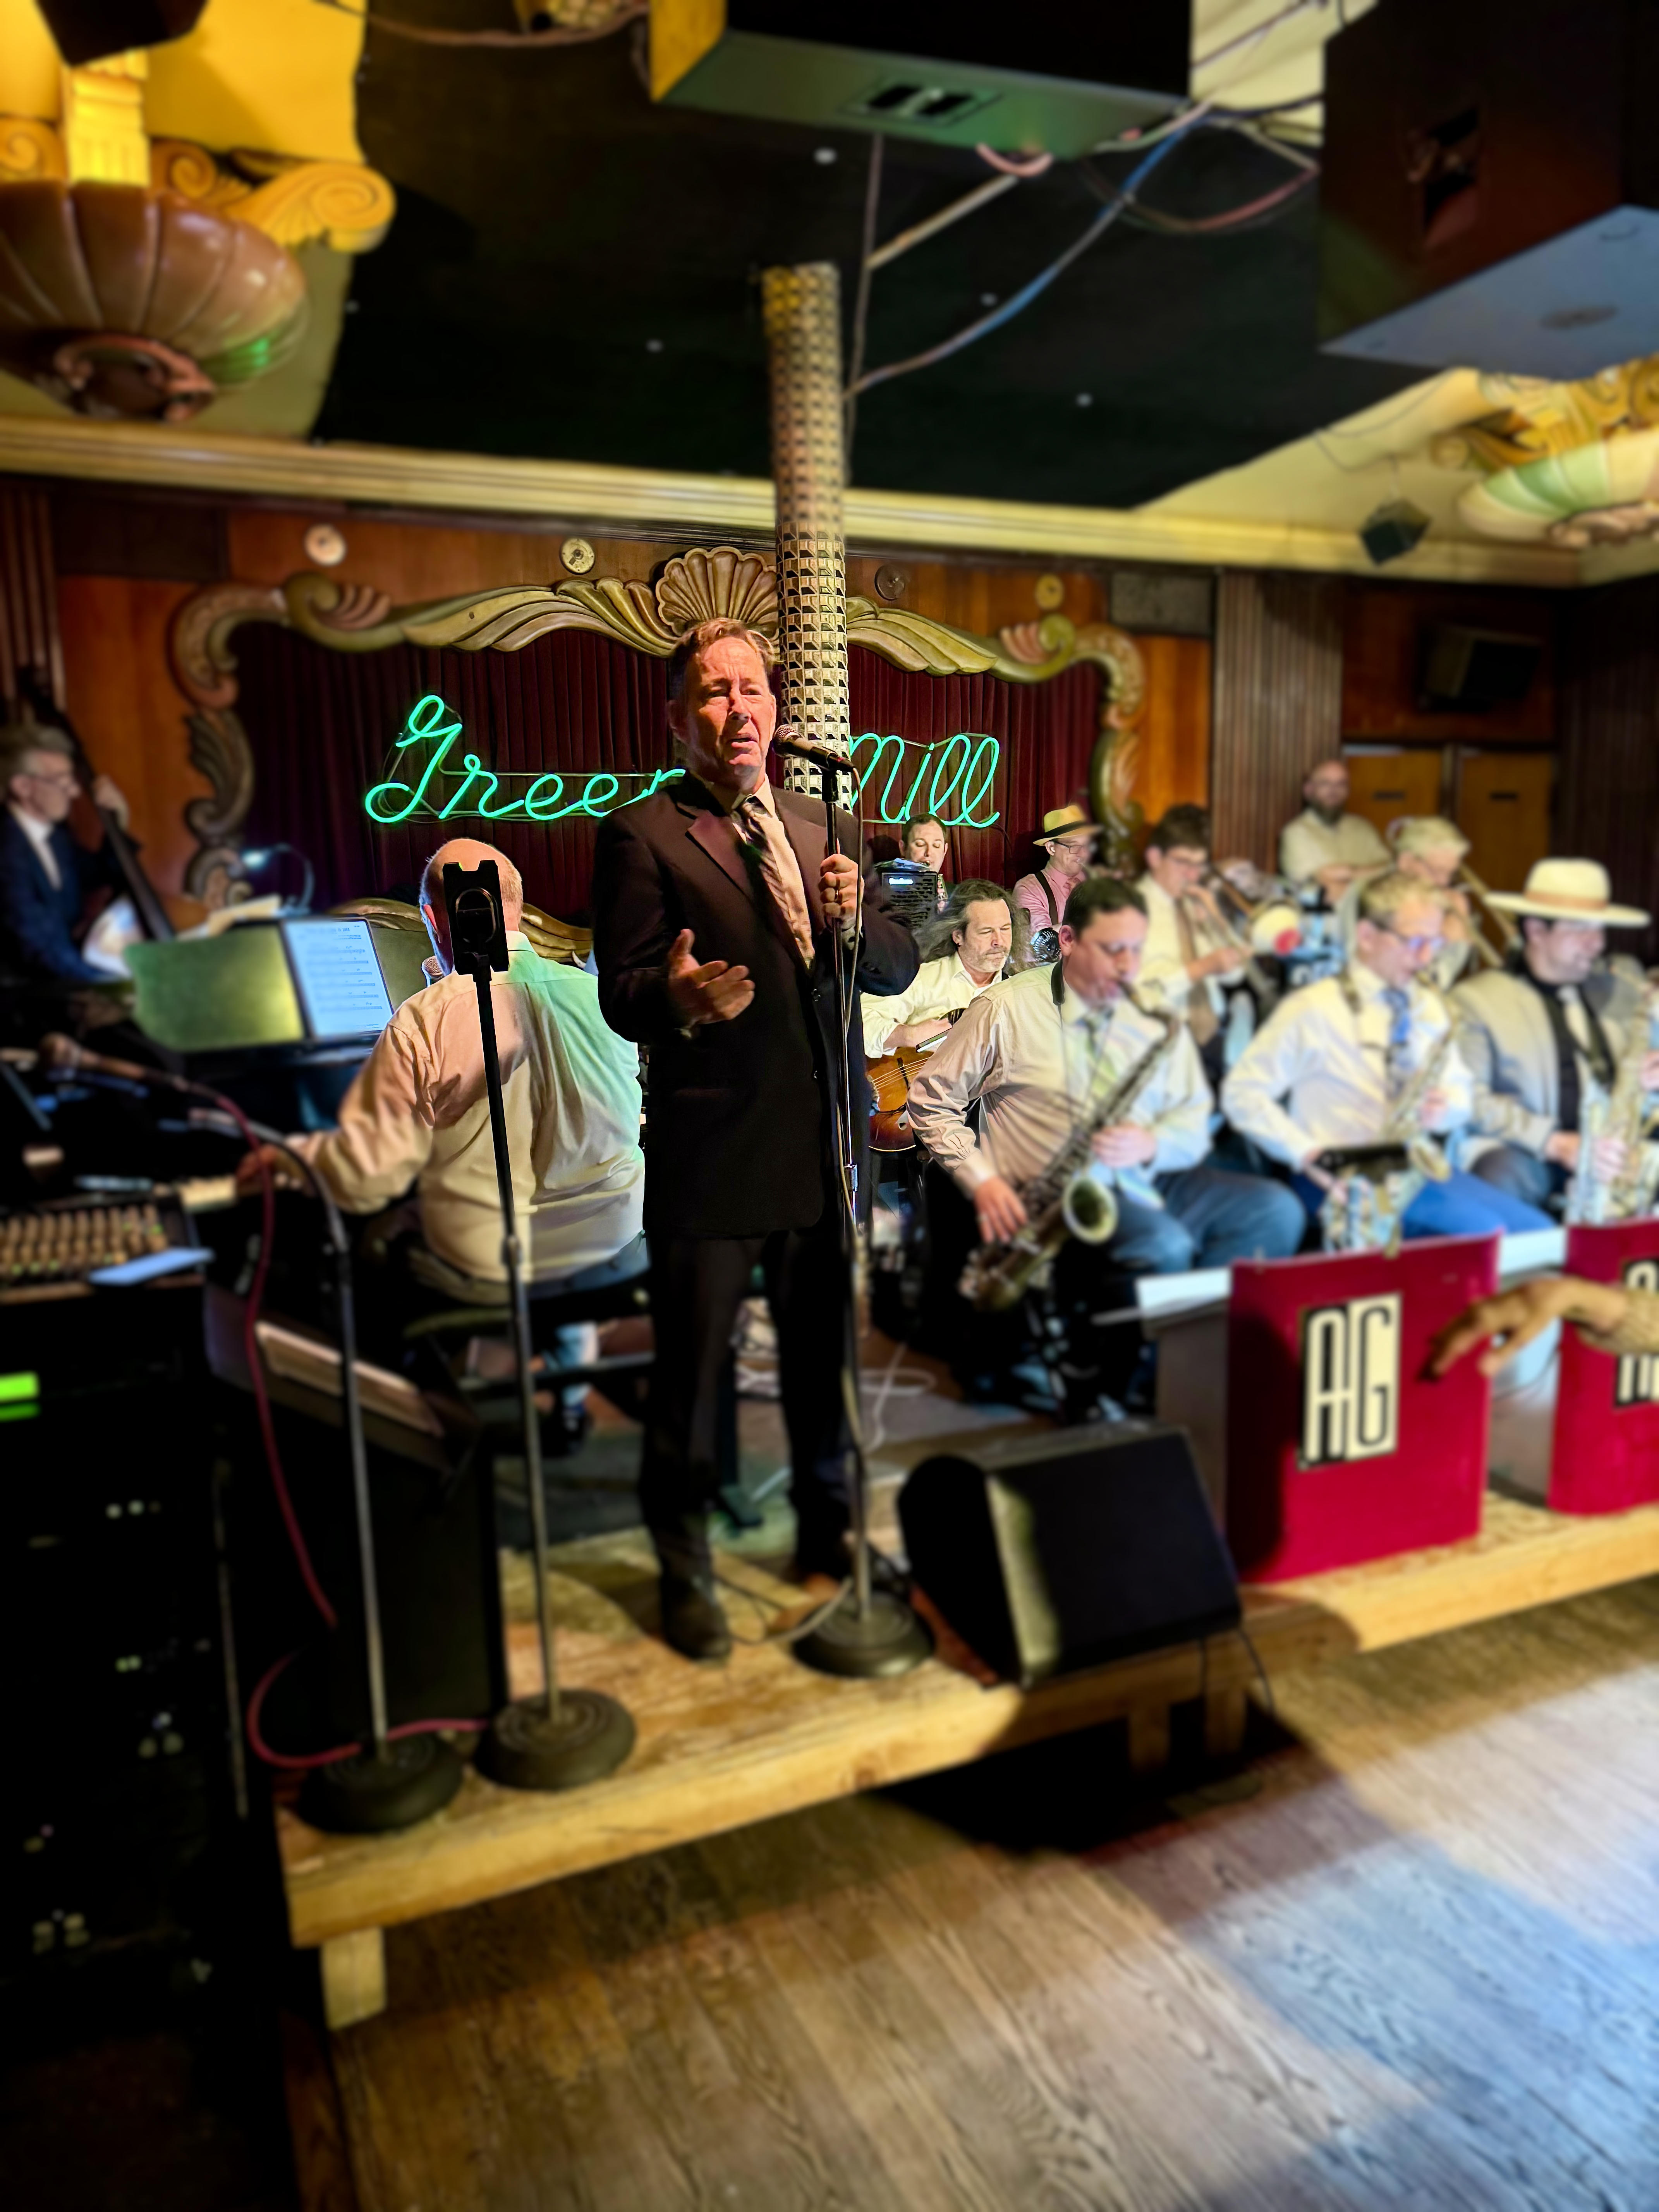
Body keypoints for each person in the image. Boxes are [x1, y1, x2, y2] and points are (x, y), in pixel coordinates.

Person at [591, 617, 917, 1661]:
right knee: (689, 1383)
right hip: (714, 1160)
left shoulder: (828, 826)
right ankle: (684, 1567)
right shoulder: (641, 833)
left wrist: (856, 910)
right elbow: (622, 990)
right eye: (716, 691)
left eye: (753, 688)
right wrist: (677, 996)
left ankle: (828, 1542)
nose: (740, 707)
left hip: (823, 1154)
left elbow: (896, 969)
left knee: (824, 1369)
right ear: (678, 716)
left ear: (776, 710)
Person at [906, 876, 1304, 1417]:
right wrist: (984, 1180)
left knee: (1272, 1211)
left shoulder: (1156, 1011)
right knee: (1163, 1247)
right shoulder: (1005, 1008)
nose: (1128, 967)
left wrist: (1152, 1142)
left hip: (1144, 1175)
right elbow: (929, 1101)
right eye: (1113, 949)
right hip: (1051, 1191)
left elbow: (1191, 1118)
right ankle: (1124, 1386)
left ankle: (1187, 1369)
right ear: (1067, 940)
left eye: (1138, 950)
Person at [1222, 870, 1554, 1240]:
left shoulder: (1429, 1006)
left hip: (1413, 1168)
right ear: (1367, 936)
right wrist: (1306, 1153)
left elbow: (1461, 1093)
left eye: (1435, 942)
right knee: (1484, 1234)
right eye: (1413, 942)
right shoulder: (1312, 1008)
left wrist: (1445, 1109)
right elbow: (1242, 1094)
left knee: (1540, 1234)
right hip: (1338, 1176)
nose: (1427, 958)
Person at [1453, 859, 1658, 1213]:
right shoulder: (1476, 1000)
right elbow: (1470, 1098)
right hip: (1530, 1147)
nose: (1597, 944)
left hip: (1615, 1145)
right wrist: (1556, 1143)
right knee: (1503, 1175)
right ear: (1535, 930)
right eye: (1580, 930)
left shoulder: (1623, 987)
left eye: (1601, 929)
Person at [0, 721, 134, 983]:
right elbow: (37, 945)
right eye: (62, 781)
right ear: (24, 787)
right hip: (26, 1000)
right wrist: (107, 984)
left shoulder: (57, 837)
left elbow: (100, 873)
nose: (74, 792)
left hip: (60, 981)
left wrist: (117, 826)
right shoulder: (6, 847)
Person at [1134, 804, 1247, 1081]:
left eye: (1199, 865)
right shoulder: (1133, 910)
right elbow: (1139, 995)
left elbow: (1236, 974)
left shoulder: (1193, 904)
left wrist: (1217, 919)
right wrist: (1201, 968)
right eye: (1183, 863)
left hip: (1214, 1035)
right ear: (1155, 857)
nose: (1192, 876)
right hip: (1163, 1043)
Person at [861, 878, 1015, 1060]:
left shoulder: (1019, 990)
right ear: (958, 936)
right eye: (986, 932)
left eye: (1005, 929)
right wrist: (908, 1035)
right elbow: (859, 1022)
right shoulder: (923, 978)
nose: (999, 941)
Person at [1334, 816, 1482, 990]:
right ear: (1406, 862)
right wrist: (1440, 942)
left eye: (1451, 874)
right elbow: (1368, 973)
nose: (1444, 883)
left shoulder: (1437, 901)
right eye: (1438, 871)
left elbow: (1442, 980)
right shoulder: (1367, 895)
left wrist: (1457, 941)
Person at [1431, 1272, 1659, 1377]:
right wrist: (1506, 1352)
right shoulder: (1643, 1322)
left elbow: (1568, 1296)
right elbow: (1566, 1295)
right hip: (1545, 1299)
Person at [1278, 758, 1388, 900]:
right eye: (1325, 784)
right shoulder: (1295, 833)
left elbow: (1391, 870)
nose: (1334, 791)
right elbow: (1318, 892)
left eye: (1341, 784)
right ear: (1309, 790)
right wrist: (1369, 875)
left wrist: (1349, 872)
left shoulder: (1363, 828)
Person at [1012, 802, 1099, 955]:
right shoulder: (1029, 889)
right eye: (1074, 847)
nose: (1083, 854)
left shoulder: (1094, 879)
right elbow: (1041, 946)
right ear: (1051, 848)